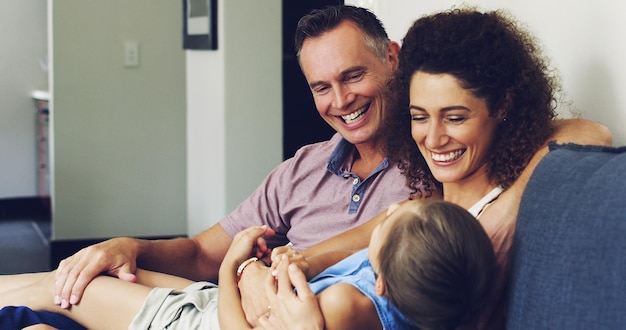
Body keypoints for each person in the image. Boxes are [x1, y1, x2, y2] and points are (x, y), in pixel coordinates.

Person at [265, 5, 613, 329]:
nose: (433, 139)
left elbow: (591, 133)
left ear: (503, 106)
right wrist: (253, 270)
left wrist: (508, 211)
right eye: (419, 117)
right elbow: (308, 259)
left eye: (455, 117)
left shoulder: (475, 228)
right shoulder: (419, 210)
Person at [0, 199, 496, 330]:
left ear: (381, 282)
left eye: (384, 225)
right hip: (211, 305)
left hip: (202, 320)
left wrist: (232, 266)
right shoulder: (429, 285)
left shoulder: (346, 306)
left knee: (69, 287)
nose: (384, 215)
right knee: (58, 275)